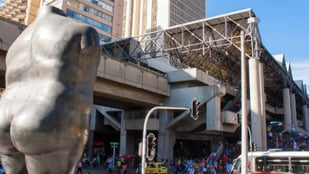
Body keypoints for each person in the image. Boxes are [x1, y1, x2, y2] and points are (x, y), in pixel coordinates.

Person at [0, 5, 100, 173]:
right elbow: (83, 90)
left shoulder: (14, 47)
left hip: (3, 116)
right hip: (46, 115)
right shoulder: (83, 31)